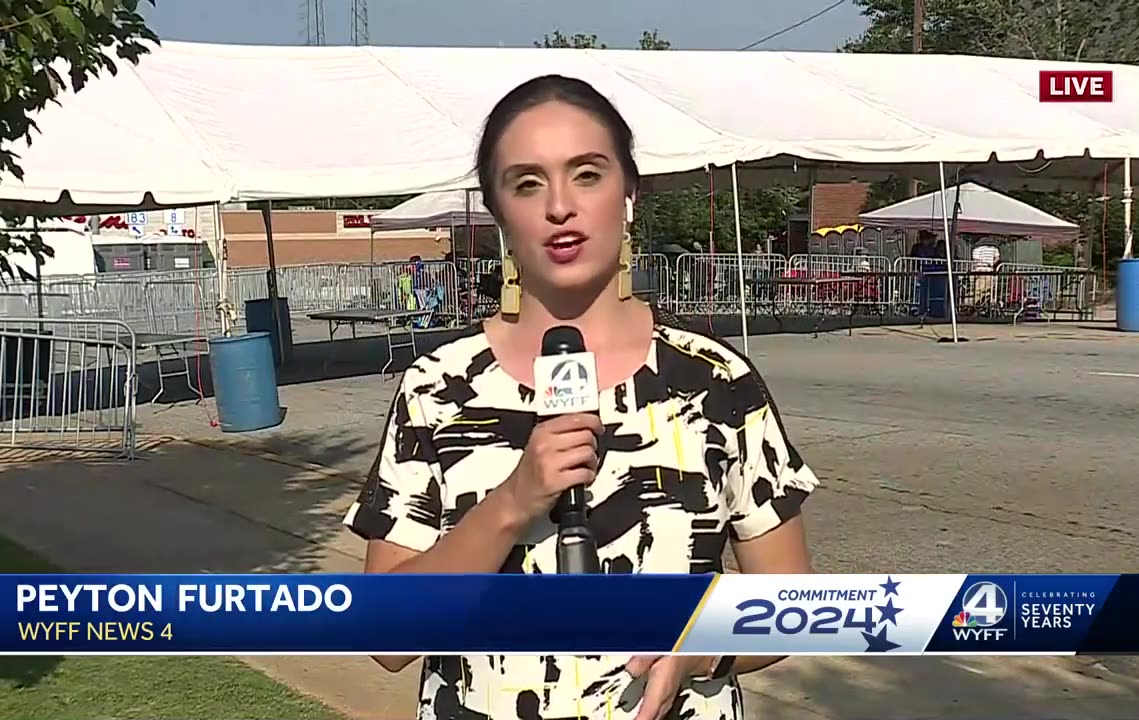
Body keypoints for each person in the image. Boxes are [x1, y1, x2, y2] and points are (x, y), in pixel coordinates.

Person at [343, 74, 819, 720]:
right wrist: (510, 504)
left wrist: (697, 651)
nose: (559, 206)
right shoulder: (437, 388)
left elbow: (791, 604)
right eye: (528, 183)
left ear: (629, 193)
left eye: (587, 174)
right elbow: (385, 637)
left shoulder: (716, 381)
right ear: (498, 211)